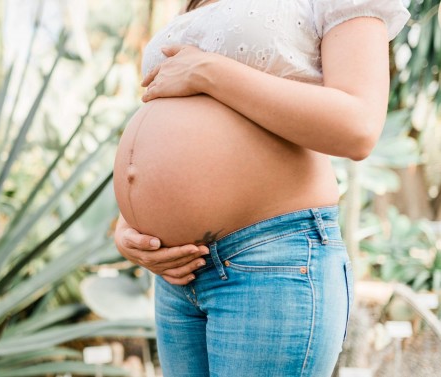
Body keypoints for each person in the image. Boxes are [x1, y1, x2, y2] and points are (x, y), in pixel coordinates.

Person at [112, 0, 410, 376]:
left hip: (271, 257)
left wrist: (209, 71)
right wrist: (132, 224)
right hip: (178, 276)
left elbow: (359, 126)